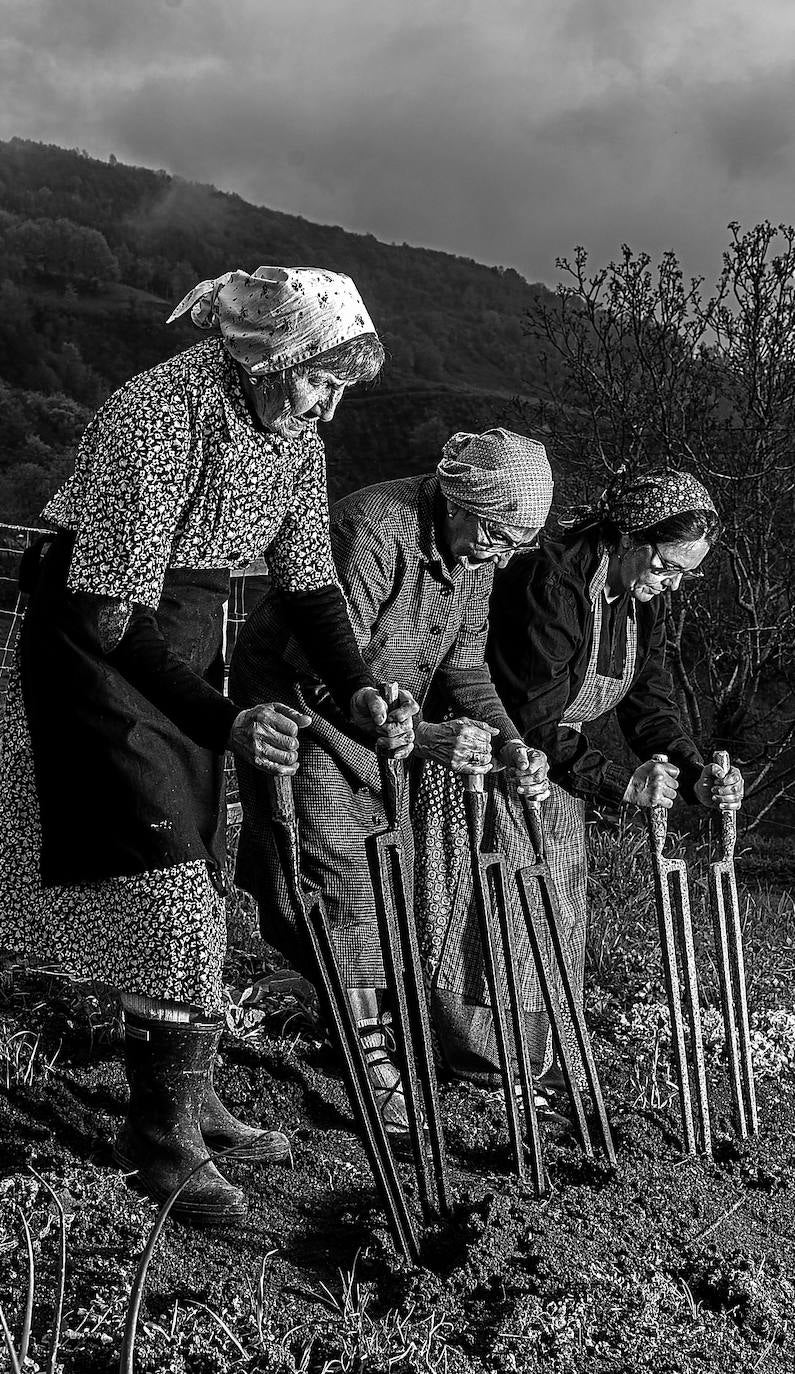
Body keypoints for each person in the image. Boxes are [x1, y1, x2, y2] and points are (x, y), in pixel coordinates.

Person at [0, 265, 416, 1226]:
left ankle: (192, 1092)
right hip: (95, 648)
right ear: (273, 353)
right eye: (322, 381)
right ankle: (159, 1144)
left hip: (180, 636)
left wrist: (356, 689)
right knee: (170, 879)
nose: (330, 408)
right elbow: (110, 613)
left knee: (203, 861)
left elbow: (308, 583)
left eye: (344, 388)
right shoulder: (157, 414)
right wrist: (222, 721)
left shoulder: (294, 437)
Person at [230, 428, 553, 1131]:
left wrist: (511, 744)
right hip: (301, 704)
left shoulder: (477, 550)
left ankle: (354, 1023)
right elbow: (322, 662)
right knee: (330, 867)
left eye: (512, 546)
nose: (497, 556)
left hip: (387, 718)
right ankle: (367, 1060)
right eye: (495, 537)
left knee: (381, 874)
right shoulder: (371, 529)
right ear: (458, 500)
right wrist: (427, 738)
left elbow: (465, 662)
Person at [414, 469, 744, 1091]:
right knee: (490, 905)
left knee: (553, 909)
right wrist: (620, 785)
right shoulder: (553, 581)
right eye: (668, 566)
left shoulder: (646, 598)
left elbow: (650, 696)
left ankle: (532, 1057)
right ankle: (478, 1056)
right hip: (497, 744)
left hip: (560, 760)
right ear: (630, 538)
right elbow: (534, 713)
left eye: (683, 575)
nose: (671, 584)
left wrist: (695, 773)